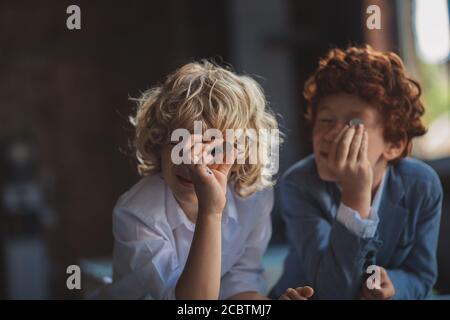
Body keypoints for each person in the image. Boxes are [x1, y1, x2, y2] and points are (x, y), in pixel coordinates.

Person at [110, 60, 312, 300]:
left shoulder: (252, 196)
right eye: (180, 145)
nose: (193, 164)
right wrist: (211, 212)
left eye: (214, 150)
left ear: (241, 156)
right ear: (158, 144)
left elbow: (238, 286)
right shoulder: (137, 213)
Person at [271, 45, 443, 300]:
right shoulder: (299, 184)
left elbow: (421, 274)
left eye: (354, 123)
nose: (331, 134)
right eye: (326, 120)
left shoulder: (422, 185)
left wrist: (394, 285)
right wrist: (355, 199)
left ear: (393, 143)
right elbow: (333, 291)